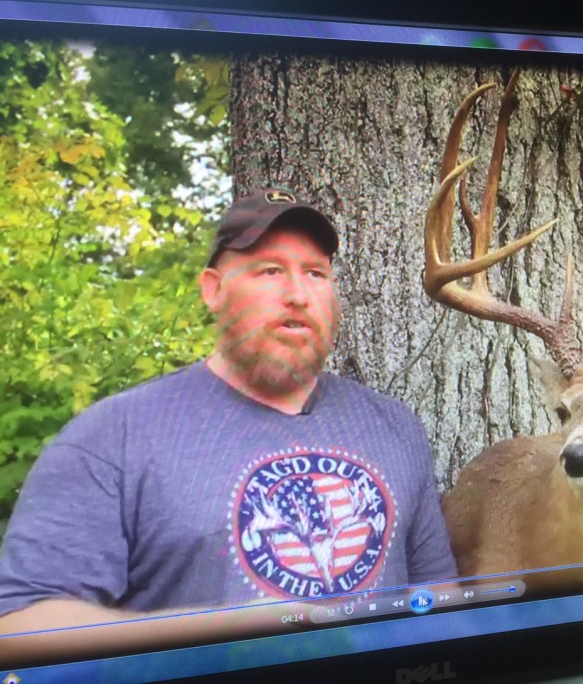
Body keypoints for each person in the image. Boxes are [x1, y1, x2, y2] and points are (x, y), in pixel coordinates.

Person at [0, 189, 456, 648]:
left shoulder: (393, 427)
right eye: (270, 270)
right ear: (213, 289)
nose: (298, 294)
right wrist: (225, 638)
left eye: (315, 273)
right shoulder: (114, 436)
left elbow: (440, 606)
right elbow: (17, 627)